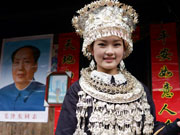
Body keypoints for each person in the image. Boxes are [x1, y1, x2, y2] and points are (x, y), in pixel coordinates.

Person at [55, 0, 180, 134]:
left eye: (116, 44)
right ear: (91, 48)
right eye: (102, 44)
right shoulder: (78, 90)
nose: (110, 51)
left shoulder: (140, 90)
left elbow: (151, 130)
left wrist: (176, 125)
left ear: (125, 48)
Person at [0, 45, 46, 111]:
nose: (20, 68)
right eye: (16, 62)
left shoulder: (44, 93)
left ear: (35, 66)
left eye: (26, 62)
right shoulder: (2, 93)